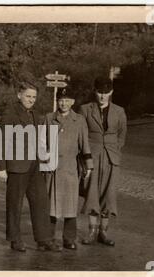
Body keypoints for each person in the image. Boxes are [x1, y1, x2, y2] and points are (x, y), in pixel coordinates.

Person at [0, 81, 62, 252]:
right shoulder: (10, 114)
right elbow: (0, 142)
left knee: (41, 201)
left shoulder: (35, 114)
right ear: (19, 95)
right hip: (16, 166)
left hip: (34, 165)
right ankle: (15, 239)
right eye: (28, 96)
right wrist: (1, 167)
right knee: (15, 204)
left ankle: (44, 239)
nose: (31, 100)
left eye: (34, 97)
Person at [79, 76, 127, 247]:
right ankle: (91, 231)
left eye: (106, 93)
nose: (102, 96)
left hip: (111, 158)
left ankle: (103, 232)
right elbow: (82, 134)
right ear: (95, 91)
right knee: (92, 192)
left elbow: (122, 135)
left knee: (109, 194)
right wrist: (85, 157)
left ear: (111, 92)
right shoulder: (85, 109)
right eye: (100, 92)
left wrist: (115, 151)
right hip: (92, 155)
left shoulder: (119, 111)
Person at [45, 87, 93, 250]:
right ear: (57, 101)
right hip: (51, 169)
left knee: (70, 205)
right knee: (50, 204)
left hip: (70, 169)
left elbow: (85, 144)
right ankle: (48, 238)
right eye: (61, 100)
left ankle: (69, 238)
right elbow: (41, 143)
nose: (64, 103)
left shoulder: (79, 120)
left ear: (72, 102)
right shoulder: (49, 118)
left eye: (67, 100)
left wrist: (89, 166)